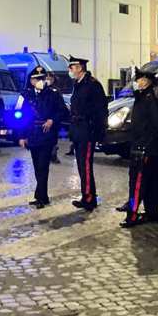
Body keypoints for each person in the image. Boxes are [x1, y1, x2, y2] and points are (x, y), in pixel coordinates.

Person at [120, 68, 158, 228]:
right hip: (146, 146)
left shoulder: (150, 99)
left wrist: (146, 147)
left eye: (140, 80)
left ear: (147, 81)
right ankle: (151, 212)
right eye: (137, 80)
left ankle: (133, 214)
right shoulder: (144, 97)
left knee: (139, 181)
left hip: (145, 148)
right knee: (151, 181)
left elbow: (157, 126)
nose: (137, 83)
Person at [19, 67, 67, 208]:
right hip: (32, 134)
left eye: (42, 78)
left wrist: (52, 120)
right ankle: (42, 196)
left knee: (43, 166)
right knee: (36, 167)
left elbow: (62, 112)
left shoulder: (53, 94)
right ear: (32, 81)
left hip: (47, 134)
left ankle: (40, 197)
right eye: (37, 79)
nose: (40, 81)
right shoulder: (27, 95)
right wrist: (22, 136)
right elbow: (22, 117)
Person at [68, 56, 108, 211]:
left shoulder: (92, 85)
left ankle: (89, 198)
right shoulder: (78, 84)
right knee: (81, 165)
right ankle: (87, 195)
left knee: (85, 166)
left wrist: (98, 132)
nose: (70, 71)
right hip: (78, 130)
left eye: (72, 67)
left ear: (80, 68)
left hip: (87, 130)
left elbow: (101, 110)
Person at [45, 72, 63, 164]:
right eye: (46, 77)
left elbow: (60, 106)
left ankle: (53, 155)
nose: (48, 79)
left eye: (50, 78)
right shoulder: (43, 89)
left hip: (54, 119)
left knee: (53, 138)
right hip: (44, 118)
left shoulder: (56, 90)